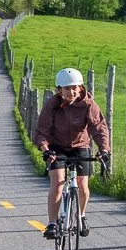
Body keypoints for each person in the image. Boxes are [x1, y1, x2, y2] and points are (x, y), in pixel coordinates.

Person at [32, 67, 110, 237]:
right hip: (56, 147)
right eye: (66, 88)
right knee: (59, 182)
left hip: (80, 146)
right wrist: (45, 149)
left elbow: (99, 128)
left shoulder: (89, 104)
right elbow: (41, 131)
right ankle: (52, 223)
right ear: (59, 90)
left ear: (81, 87)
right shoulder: (52, 105)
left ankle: (81, 216)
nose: (71, 92)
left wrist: (104, 149)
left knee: (82, 186)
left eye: (75, 87)